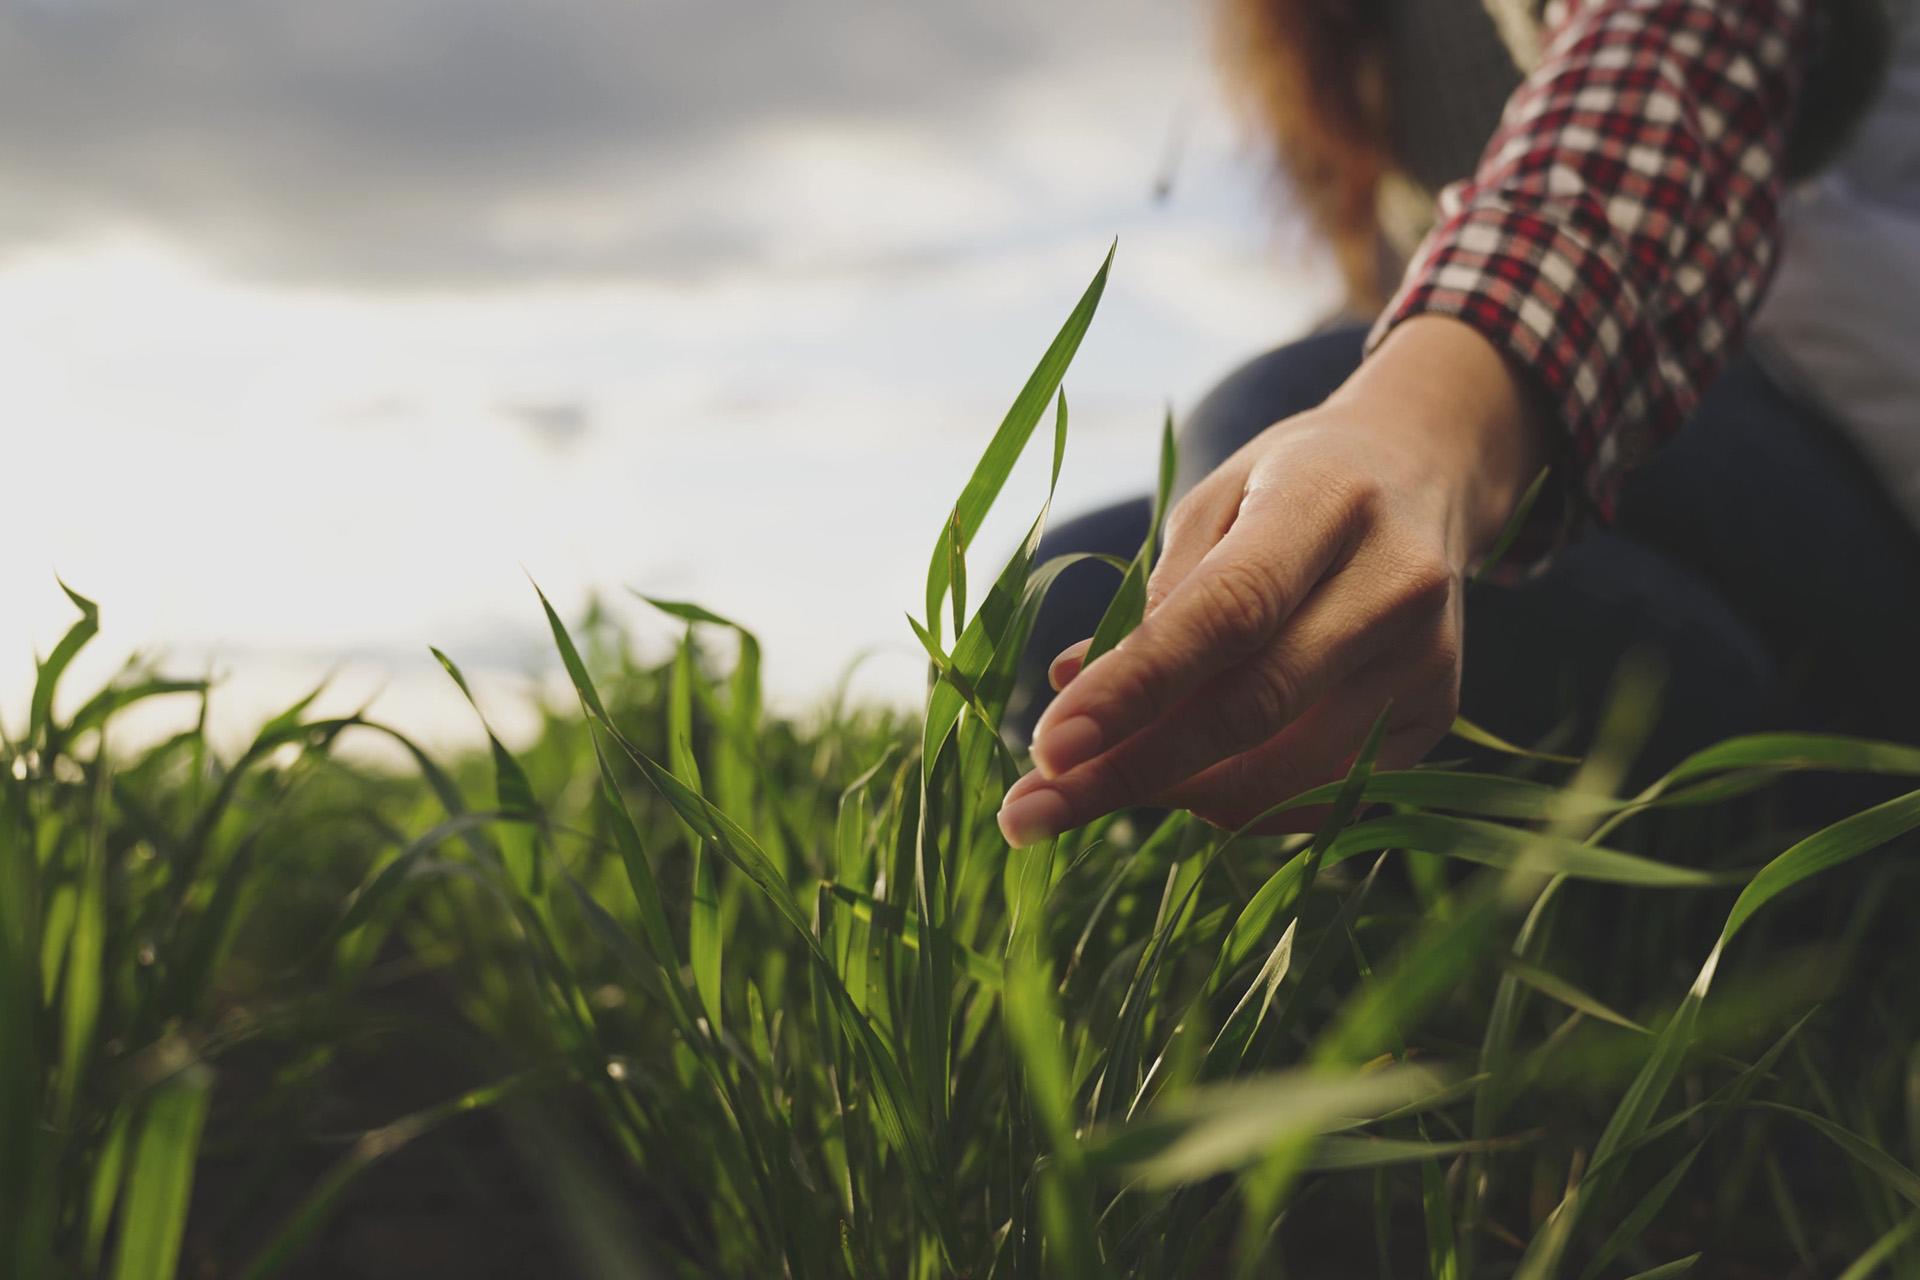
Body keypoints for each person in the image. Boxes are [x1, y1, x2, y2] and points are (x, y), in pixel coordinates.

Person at [998, 0, 1920, 847]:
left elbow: (1677, 47)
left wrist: (1410, 427)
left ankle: (1807, 794)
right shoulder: (1345, 39)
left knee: (1275, 411)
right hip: (1610, 498)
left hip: (1852, 452)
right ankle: (1737, 788)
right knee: (1060, 601)